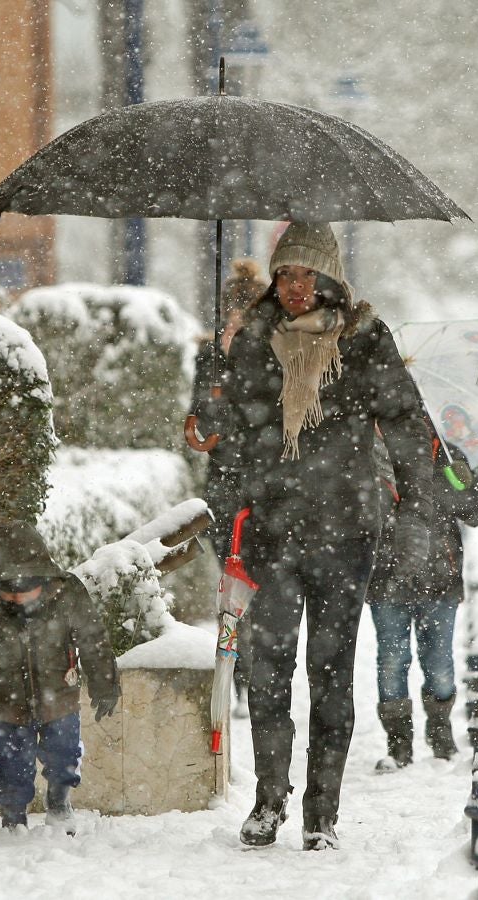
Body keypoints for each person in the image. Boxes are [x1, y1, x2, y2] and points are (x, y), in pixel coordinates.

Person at [199, 221, 438, 851]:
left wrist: (417, 508)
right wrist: (209, 391)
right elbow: (233, 436)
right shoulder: (252, 339)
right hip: (272, 533)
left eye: (306, 274)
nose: (295, 287)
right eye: (285, 275)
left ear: (329, 277)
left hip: (345, 533)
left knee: (331, 673)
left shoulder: (363, 339)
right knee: (269, 670)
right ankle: (268, 800)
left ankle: (321, 812)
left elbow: (406, 420)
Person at [0, 524, 121, 834]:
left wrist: (104, 684)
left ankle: (60, 803)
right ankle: (13, 817)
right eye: (8, 590)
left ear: (43, 578)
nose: (17, 597)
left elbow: (93, 639)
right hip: (6, 699)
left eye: (25, 589)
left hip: (60, 694)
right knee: (11, 763)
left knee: (64, 752)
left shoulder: (68, 592)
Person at [368, 421, 478, 769]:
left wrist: (466, 484)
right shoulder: (373, 459)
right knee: (391, 661)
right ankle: (398, 744)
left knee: (438, 662)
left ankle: (440, 733)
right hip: (387, 579)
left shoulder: (447, 458)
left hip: (440, 580)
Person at [187, 258, 270, 717]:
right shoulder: (209, 357)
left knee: (258, 584)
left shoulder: (270, 354)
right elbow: (199, 416)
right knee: (230, 588)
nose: (236, 322)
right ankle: (236, 677)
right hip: (223, 485)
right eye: (232, 312)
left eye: (245, 313)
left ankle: (257, 676)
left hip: (261, 487)